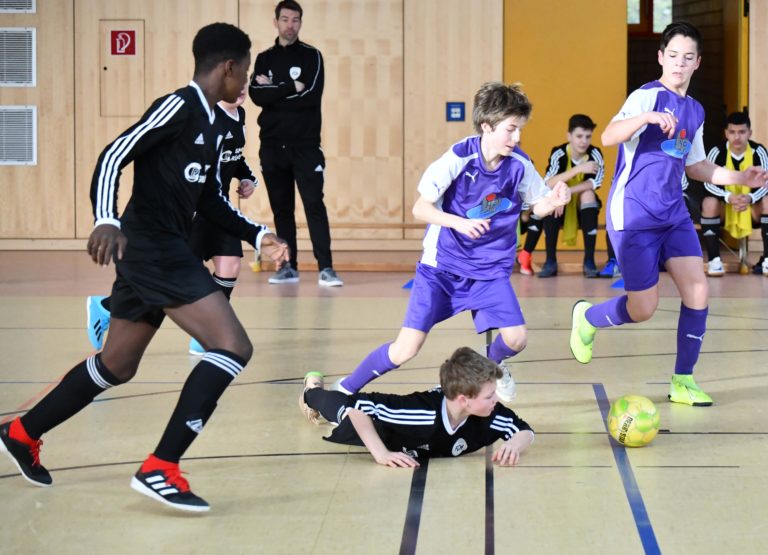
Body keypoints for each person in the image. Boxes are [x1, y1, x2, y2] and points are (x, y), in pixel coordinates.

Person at [0, 23, 290, 512]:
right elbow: (114, 153)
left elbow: (212, 200)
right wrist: (106, 219)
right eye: (245, 70)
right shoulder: (178, 105)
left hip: (160, 249)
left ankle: (23, 431)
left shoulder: (220, 125)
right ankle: (162, 467)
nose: (248, 80)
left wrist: (258, 233)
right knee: (233, 345)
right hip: (152, 247)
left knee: (116, 365)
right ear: (227, 67)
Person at [569, 22, 768, 407]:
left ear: (697, 63)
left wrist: (739, 177)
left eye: (688, 58)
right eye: (673, 56)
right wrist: (644, 119)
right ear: (661, 57)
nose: (679, 64)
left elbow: (697, 166)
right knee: (643, 308)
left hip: (673, 212)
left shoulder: (694, 110)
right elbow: (609, 136)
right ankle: (588, 318)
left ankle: (683, 380)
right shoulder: (646, 96)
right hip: (635, 213)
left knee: (697, 288)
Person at [332, 82, 571, 402]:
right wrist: (460, 223)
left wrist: (554, 200)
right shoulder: (458, 159)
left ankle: (492, 366)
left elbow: (537, 205)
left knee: (516, 338)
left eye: (520, 130)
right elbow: (420, 208)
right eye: (511, 130)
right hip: (443, 267)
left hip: (490, 268)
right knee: (406, 349)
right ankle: (344, 388)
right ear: (487, 126)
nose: (517, 138)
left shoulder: (519, 164)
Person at [86, 86, 259, 355]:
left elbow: (233, 158)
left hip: (218, 207)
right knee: (171, 284)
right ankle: (107, 306)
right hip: (192, 211)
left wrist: (247, 177)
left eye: (245, 84)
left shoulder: (240, 117)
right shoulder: (204, 117)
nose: (240, 90)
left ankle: (206, 335)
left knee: (230, 265)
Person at [300, 347, 534, 467]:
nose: (496, 400)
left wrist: (514, 444)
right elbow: (358, 408)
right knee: (340, 411)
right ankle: (311, 390)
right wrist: (381, 454)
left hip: (438, 416)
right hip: (384, 433)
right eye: (490, 395)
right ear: (464, 399)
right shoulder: (417, 412)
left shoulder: (490, 414)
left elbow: (524, 430)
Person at [248, 0, 342, 287]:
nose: (290, 25)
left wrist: (273, 90)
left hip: (306, 146)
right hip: (273, 146)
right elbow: (255, 95)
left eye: (296, 20)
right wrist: (290, 88)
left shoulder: (312, 57)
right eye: (285, 19)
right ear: (275, 21)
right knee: (282, 209)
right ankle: (288, 266)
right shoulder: (264, 58)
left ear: (301, 23)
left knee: (314, 204)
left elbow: (310, 96)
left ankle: (326, 268)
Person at [517, 114, 605, 278]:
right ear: (569, 136)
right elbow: (548, 183)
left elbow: (595, 183)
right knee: (551, 199)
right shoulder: (559, 153)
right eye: (579, 136)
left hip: (579, 209)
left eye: (588, 137)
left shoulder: (595, 154)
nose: (583, 141)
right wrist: (577, 170)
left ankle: (589, 261)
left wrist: (565, 193)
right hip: (559, 210)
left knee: (588, 195)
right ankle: (550, 261)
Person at [698, 111, 768, 276]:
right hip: (725, 207)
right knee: (709, 203)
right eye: (732, 132)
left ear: (749, 133)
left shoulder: (759, 151)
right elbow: (707, 183)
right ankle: (714, 260)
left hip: (750, 208)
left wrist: (750, 198)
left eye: (742, 132)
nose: (737, 137)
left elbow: (766, 182)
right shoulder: (716, 151)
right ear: (726, 133)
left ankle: (766, 260)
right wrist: (728, 197)